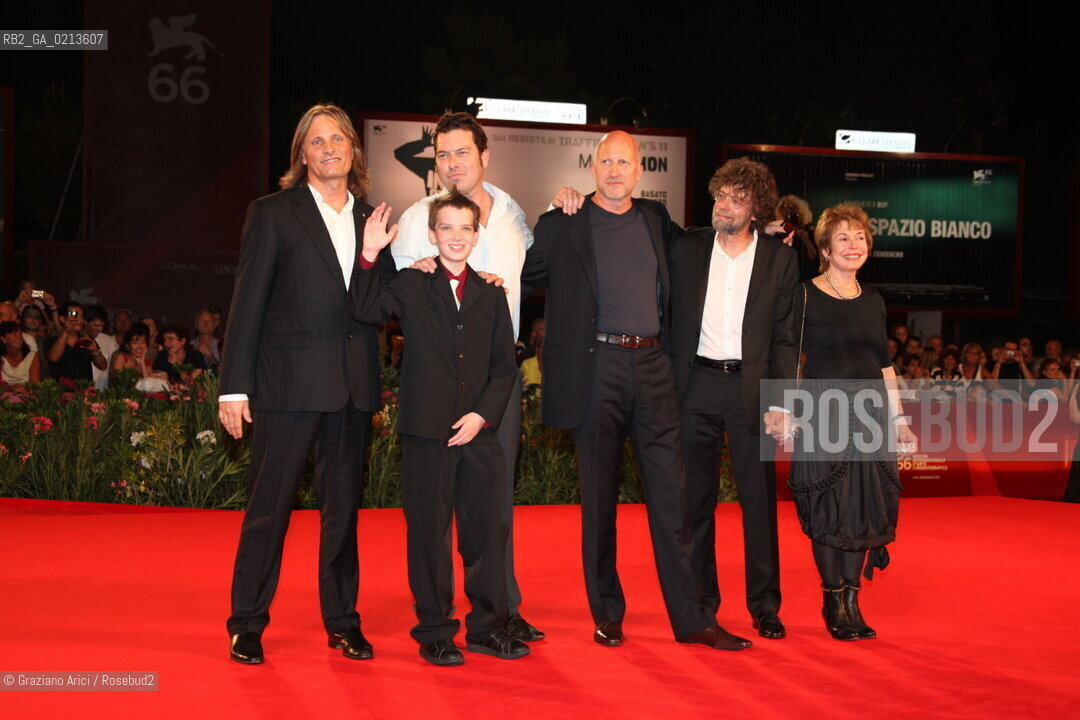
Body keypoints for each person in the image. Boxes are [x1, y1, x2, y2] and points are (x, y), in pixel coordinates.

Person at [521, 130, 750, 651]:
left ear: (639, 171)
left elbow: (704, 247)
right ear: (593, 166)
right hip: (594, 369)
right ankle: (607, 613)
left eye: (624, 162)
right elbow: (520, 275)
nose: (615, 170)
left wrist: (757, 229)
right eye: (607, 161)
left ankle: (693, 620)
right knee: (599, 502)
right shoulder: (563, 223)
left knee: (673, 500)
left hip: (652, 367)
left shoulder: (655, 219)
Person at [218, 103, 393, 665]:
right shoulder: (272, 213)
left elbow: (377, 307)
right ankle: (247, 623)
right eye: (317, 141)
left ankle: (343, 622)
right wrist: (233, 387)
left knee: (343, 513)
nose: (329, 148)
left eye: (337, 138)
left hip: (353, 387)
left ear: (353, 150)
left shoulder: (372, 219)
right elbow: (247, 303)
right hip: (287, 386)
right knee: (268, 509)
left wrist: (373, 256)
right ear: (302, 154)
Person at [389, 112, 544, 642]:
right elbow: (405, 294)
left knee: (493, 507)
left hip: (498, 381)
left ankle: (501, 609)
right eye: (442, 155)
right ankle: (437, 618)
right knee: (434, 512)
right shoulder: (418, 218)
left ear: (484, 155)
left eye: (462, 152)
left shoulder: (513, 214)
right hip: (438, 388)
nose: (452, 163)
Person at [355, 192, 527, 665]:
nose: (455, 236)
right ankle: (435, 631)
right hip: (426, 434)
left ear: (476, 235)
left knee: (486, 534)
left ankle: (488, 628)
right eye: (446, 228)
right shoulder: (413, 284)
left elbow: (504, 368)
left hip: (479, 434)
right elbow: (365, 310)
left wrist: (481, 415)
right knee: (429, 537)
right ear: (432, 235)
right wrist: (369, 254)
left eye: (464, 228)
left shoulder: (492, 293)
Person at [667, 158, 798, 640]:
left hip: (752, 391)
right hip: (694, 387)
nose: (724, 205)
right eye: (720, 195)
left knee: (758, 504)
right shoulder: (687, 247)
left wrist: (781, 402)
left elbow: (785, 338)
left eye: (737, 199)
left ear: (756, 208)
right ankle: (703, 603)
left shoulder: (780, 259)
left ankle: (764, 605)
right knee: (694, 503)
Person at [778, 203, 916, 641]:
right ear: (824, 248)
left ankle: (852, 599)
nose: (853, 245)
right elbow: (789, 358)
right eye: (843, 237)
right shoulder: (803, 295)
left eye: (860, 237)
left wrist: (900, 419)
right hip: (823, 411)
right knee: (828, 508)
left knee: (862, 510)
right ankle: (832, 598)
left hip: (871, 415)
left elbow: (884, 365)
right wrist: (786, 408)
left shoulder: (873, 300)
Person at [45, 301, 107, 383]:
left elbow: (103, 366)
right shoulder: (51, 340)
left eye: (81, 316)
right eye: (74, 315)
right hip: (59, 389)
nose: (78, 320)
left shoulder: (86, 340)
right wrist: (66, 331)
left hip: (84, 389)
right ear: (63, 319)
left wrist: (95, 351)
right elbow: (53, 358)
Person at [110, 323, 170, 392]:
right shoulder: (121, 358)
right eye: (135, 343)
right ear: (127, 345)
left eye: (143, 343)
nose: (139, 347)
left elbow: (149, 386)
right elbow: (117, 383)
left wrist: (142, 364)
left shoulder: (147, 363)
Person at [84, 304, 119, 390]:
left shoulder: (109, 341)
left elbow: (109, 368)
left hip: (101, 392)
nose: (100, 329)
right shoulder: (74, 339)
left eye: (102, 326)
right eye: (96, 325)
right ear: (85, 322)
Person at [1, 321, 40, 387]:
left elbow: (35, 386)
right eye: (14, 333)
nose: (19, 337)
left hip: (26, 393)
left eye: (20, 333)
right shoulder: (1, 358)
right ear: (3, 339)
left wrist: (23, 389)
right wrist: (10, 388)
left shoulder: (32, 357)